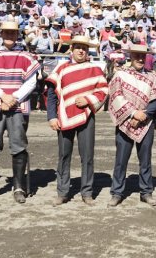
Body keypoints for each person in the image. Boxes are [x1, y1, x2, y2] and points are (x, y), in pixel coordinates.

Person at [0, 21, 41, 205]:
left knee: (18, 145)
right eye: (7, 33)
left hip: (17, 106)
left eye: (13, 33)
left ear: (17, 34)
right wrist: (2, 96)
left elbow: (31, 82)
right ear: (1, 33)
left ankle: (18, 186)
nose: (10, 36)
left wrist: (14, 98)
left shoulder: (27, 56)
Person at [46, 35, 108, 207]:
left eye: (84, 47)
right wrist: (51, 116)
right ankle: (62, 192)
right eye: (78, 47)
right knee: (64, 155)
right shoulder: (61, 69)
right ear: (72, 49)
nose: (81, 50)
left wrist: (88, 99)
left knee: (87, 156)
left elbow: (103, 91)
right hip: (64, 117)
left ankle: (87, 192)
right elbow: (51, 95)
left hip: (87, 117)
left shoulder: (95, 69)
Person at [107, 44, 156, 207]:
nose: (140, 58)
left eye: (143, 56)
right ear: (130, 56)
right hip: (125, 121)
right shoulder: (120, 75)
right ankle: (117, 192)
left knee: (145, 159)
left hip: (146, 123)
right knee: (121, 159)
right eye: (137, 55)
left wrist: (143, 115)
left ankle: (146, 192)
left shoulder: (153, 76)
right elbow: (116, 96)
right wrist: (133, 113)